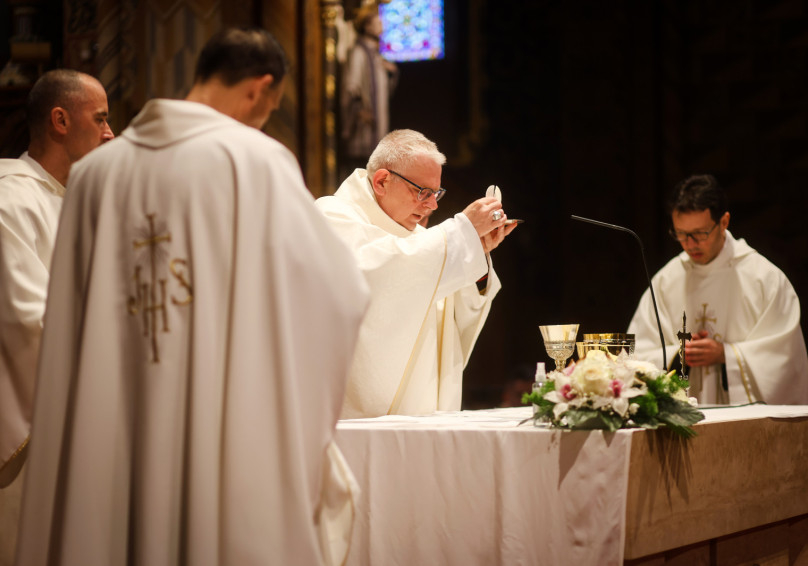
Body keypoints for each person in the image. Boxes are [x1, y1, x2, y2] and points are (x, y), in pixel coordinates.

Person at [15, 28, 369, 566]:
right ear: (260, 88)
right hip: (220, 422)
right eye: (269, 108)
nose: (262, 120)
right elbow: (339, 294)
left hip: (112, 426)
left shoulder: (94, 176)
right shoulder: (256, 161)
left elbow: (68, 325)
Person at [316, 129, 516, 418]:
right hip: (356, 424)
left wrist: (476, 254)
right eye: (422, 191)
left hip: (425, 416)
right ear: (382, 181)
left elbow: (455, 315)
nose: (432, 205)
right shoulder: (331, 217)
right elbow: (377, 278)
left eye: (436, 193)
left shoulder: (425, 242)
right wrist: (461, 235)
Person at [0, 69, 113, 564]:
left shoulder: (81, 201)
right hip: (35, 431)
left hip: (85, 417)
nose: (111, 133)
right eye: (101, 119)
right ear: (61, 120)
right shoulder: (10, 200)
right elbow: (27, 321)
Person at [628, 174, 808, 405]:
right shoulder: (666, 281)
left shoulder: (765, 278)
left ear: (724, 222)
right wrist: (679, 353)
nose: (690, 244)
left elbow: (784, 357)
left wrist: (726, 354)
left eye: (700, 233)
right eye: (681, 234)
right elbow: (636, 355)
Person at [339, 4, 398, 177]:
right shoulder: (358, 53)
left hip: (377, 124)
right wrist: (359, 111)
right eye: (377, 22)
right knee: (360, 171)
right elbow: (351, 87)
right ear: (366, 26)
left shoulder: (375, 55)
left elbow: (384, 92)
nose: (381, 25)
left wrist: (390, 74)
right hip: (363, 125)